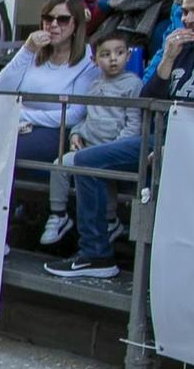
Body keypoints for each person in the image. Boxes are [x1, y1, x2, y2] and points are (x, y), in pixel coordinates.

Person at [46, 0, 194, 280]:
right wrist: (167, 60)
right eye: (186, 11)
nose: (189, 18)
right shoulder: (185, 47)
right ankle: (96, 255)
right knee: (84, 161)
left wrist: (174, 148)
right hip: (159, 139)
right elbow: (147, 102)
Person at [39, 26, 140, 246]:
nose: (113, 59)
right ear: (95, 60)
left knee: (100, 171)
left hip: (112, 149)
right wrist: (76, 134)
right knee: (59, 165)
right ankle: (58, 214)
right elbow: (86, 118)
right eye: (106, 54)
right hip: (89, 146)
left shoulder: (133, 85)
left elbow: (134, 124)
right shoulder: (94, 86)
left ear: (128, 55)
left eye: (119, 53)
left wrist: (113, 147)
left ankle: (110, 220)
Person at [0, 0, 96, 178]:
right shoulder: (34, 51)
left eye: (63, 19)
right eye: (48, 18)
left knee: (7, 150)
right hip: (18, 124)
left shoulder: (87, 60)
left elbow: (74, 114)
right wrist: (27, 50)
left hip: (56, 131)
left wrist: (25, 115)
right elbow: (1, 87)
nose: (54, 24)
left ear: (76, 25)